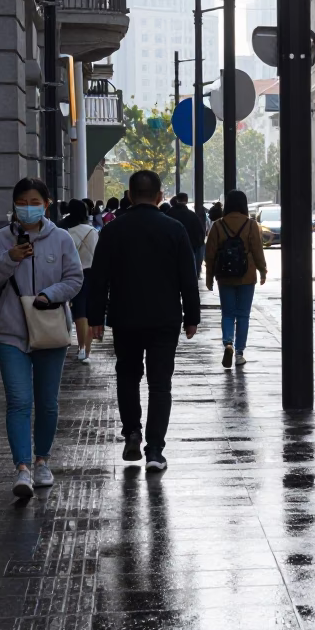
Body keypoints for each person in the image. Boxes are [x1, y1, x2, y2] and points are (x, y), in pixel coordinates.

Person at [88, 170, 200, 472]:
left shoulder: (113, 229)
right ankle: (155, 451)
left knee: (127, 376)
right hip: (165, 318)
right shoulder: (174, 229)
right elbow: (188, 278)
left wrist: (95, 317)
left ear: (129, 195)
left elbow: (99, 278)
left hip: (125, 317)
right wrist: (192, 316)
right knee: (160, 384)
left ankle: (132, 433)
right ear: (160, 196)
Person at [0, 178, 84, 496]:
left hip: (49, 330)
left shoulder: (60, 238)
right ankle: (22, 469)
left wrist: (50, 294)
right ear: (14, 204)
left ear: (47, 204)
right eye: (22, 202)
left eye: (34, 202)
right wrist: (9, 258)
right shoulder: (1, 239)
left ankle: (42, 461)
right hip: (10, 333)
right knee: (19, 401)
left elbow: (74, 278)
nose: (28, 208)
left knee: (47, 403)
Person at [204, 190, 267, 369]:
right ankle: (239, 353)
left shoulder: (218, 225)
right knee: (243, 314)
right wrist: (262, 271)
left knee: (227, 313)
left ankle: (228, 343)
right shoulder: (251, 225)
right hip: (247, 276)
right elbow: (257, 251)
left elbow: (210, 255)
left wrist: (209, 277)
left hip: (224, 276)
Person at [60, 200, 99, 363]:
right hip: (91, 273)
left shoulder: (66, 231)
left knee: (79, 312)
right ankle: (86, 350)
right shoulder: (92, 231)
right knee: (88, 312)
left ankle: (81, 347)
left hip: (74, 274)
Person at [168, 193, 206, 278]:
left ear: (176, 199)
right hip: (190, 247)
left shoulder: (169, 213)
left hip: (172, 248)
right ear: (186, 200)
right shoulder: (192, 215)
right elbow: (200, 232)